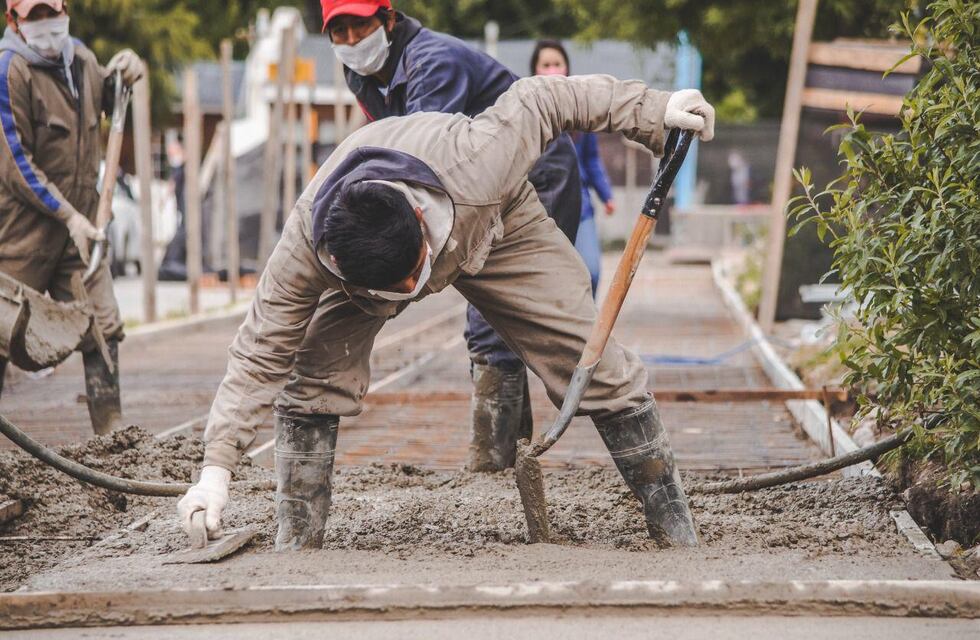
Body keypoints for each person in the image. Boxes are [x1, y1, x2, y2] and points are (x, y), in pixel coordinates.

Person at [176, 72, 716, 551]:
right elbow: (259, 351)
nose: (417, 291)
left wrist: (652, 112)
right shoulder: (305, 250)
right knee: (314, 374)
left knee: (589, 356)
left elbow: (548, 96)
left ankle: (673, 528)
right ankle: (296, 541)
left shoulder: (479, 159)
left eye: (418, 274)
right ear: (336, 261)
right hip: (370, 271)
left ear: (417, 220)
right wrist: (215, 471)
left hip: (493, 224)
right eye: (403, 289)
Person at [321, 0, 584, 472]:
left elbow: (424, 159)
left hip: (534, 173)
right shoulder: (361, 75)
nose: (349, 42)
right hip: (477, 178)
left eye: (358, 26)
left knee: (499, 304)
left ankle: (493, 462)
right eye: (337, 32)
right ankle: (510, 456)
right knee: (496, 313)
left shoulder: (433, 64)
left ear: (388, 17)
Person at [0, 0, 142, 433]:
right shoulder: (10, 71)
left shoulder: (80, 60)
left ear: (66, 11)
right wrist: (68, 215)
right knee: (2, 332)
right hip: (23, 233)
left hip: (80, 232)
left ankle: (111, 432)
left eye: (52, 12)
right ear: (14, 21)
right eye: (34, 16)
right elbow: (15, 164)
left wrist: (125, 73)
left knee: (103, 324)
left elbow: (112, 99)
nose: (46, 24)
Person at [531, 40, 615, 297]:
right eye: (546, 65)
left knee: (591, 271)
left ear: (567, 67)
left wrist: (606, 195)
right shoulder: (526, 111)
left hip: (580, 207)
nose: (552, 69)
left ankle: (587, 327)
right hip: (538, 210)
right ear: (534, 70)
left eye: (557, 64)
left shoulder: (580, 112)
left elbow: (591, 160)